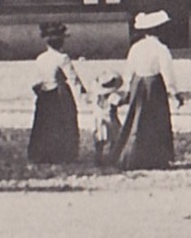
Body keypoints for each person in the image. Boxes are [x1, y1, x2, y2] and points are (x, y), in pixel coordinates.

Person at [112, 10, 185, 170]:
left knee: (137, 120)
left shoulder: (136, 48)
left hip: (137, 83)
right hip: (154, 85)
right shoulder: (161, 49)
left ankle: (132, 156)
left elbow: (129, 70)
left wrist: (127, 88)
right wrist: (175, 92)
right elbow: (167, 72)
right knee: (155, 120)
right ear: (158, 30)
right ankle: (156, 158)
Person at [27, 21, 89, 164]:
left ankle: (42, 154)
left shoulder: (40, 58)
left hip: (44, 95)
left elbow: (35, 81)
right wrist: (83, 96)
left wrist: (40, 92)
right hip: (59, 94)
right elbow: (73, 79)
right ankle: (63, 154)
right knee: (64, 123)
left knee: (45, 124)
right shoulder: (63, 58)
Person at [90, 72, 125, 166]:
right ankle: (112, 158)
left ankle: (98, 158)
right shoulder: (113, 96)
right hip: (110, 120)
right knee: (114, 140)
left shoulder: (96, 97)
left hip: (98, 120)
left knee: (99, 142)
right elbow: (121, 102)